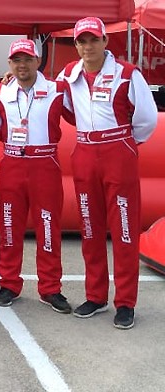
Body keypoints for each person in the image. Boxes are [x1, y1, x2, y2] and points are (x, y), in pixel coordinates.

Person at [57, 17, 158, 329]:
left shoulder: (127, 74)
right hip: (85, 152)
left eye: (93, 40)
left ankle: (125, 302)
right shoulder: (69, 73)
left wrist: (125, 143)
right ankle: (96, 296)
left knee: (124, 230)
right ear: (76, 45)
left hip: (118, 151)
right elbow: (60, 106)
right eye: (81, 41)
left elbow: (147, 118)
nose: (88, 47)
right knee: (90, 228)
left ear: (104, 41)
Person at [0, 39, 70, 313]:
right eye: (16, 60)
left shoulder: (57, 89)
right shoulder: (0, 92)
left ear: (38, 61)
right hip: (13, 162)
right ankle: (9, 283)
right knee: (10, 227)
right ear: (10, 64)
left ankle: (50, 288)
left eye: (27, 59)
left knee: (48, 227)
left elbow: (74, 113)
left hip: (45, 163)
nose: (22, 65)